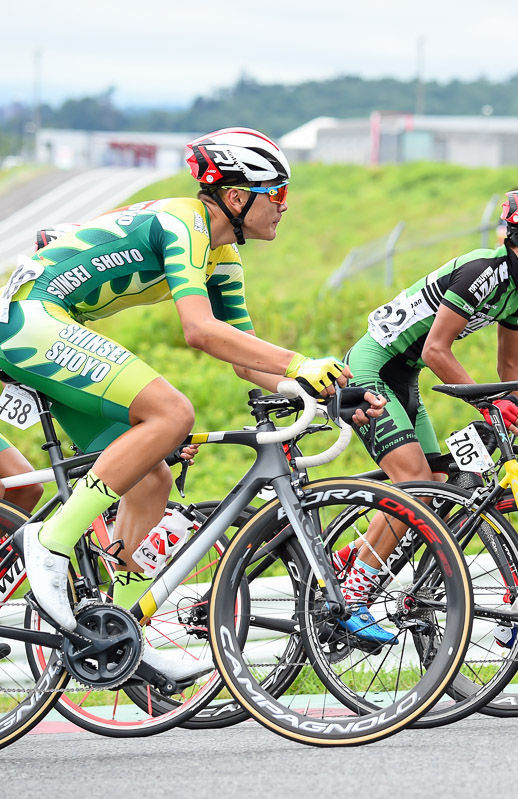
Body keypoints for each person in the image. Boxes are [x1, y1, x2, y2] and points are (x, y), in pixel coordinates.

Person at [1, 127, 380, 685]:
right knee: (172, 414)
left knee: (151, 479)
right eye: (276, 193)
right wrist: (300, 359)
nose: (284, 206)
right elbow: (199, 331)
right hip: (31, 320)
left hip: (55, 325)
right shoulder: (185, 223)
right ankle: (51, 542)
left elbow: (245, 359)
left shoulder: (223, 251)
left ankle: (118, 630)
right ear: (235, 196)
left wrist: (315, 391)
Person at [334, 188, 518, 683]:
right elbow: (436, 350)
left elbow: (510, 366)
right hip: (374, 369)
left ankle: (350, 558)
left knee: (442, 484)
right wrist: (489, 403)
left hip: (403, 378)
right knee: (413, 485)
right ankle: (351, 597)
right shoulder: (484, 271)